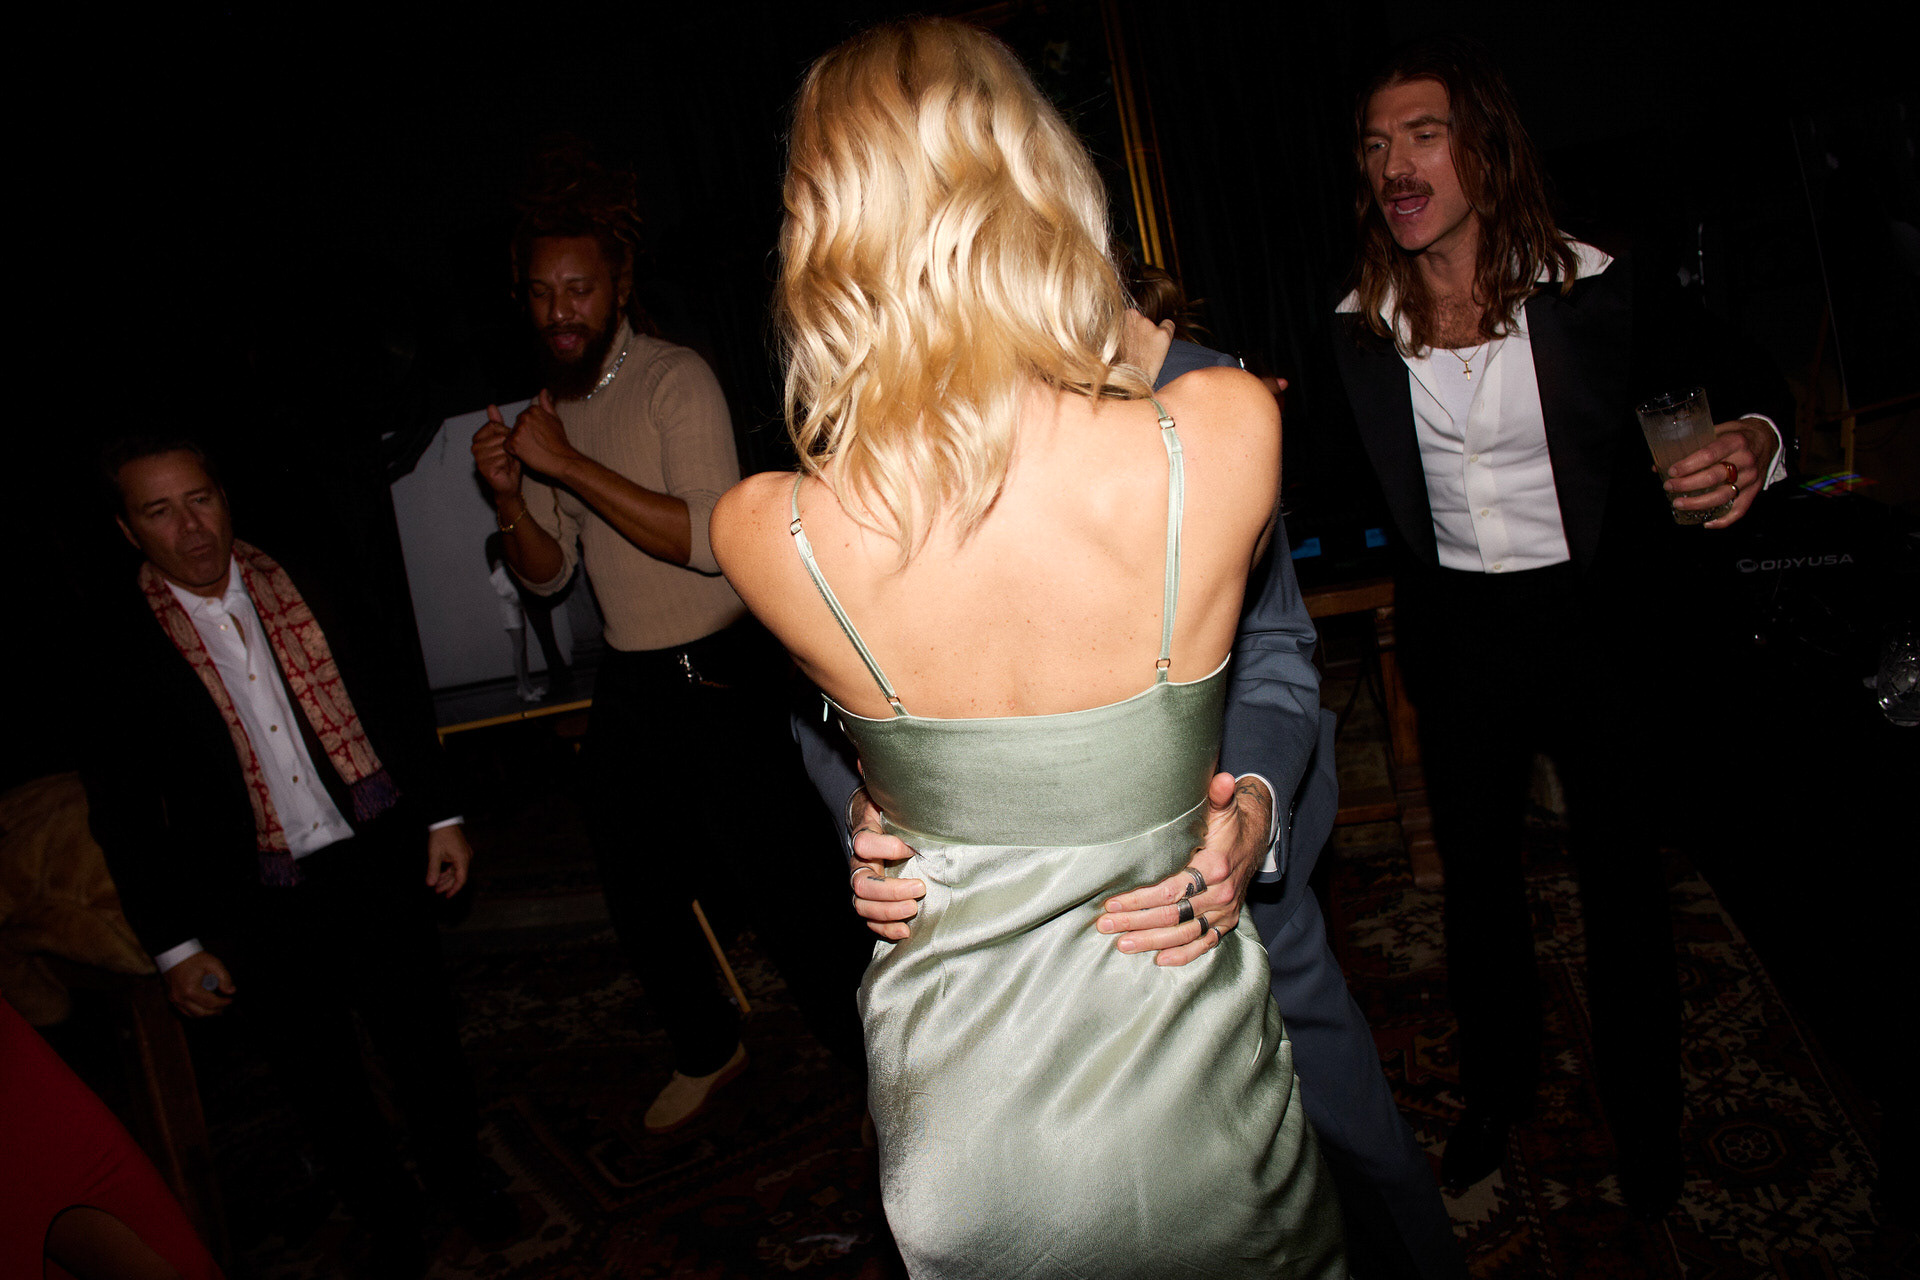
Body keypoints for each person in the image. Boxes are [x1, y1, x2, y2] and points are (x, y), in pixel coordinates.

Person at [712, 19, 1344, 1278]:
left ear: (821, 234)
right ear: (1047, 183)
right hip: (1198, 1097)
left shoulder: (766, 529)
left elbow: (900, 760)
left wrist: (890, 814)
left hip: (967, 1130)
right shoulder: (1218, 433)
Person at [817, 310, 1465, 1279]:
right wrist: (872, 817)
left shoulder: (1186, 427)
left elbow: (1275, 647)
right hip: (1004, 979)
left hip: (1214, 910)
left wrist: (1253, 811)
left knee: (1371, 1168)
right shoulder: (861, 476)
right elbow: (825, 713)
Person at [1328, 38, 1793, 1213]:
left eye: (1424, 135)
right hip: (1460, 629)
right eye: (1377, 145)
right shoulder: (1355, 328)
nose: (1396, 165)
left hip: (1599, 619)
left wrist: (1755, 439)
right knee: (1477, 886)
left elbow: (1752, 385)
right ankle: (1499, 1088)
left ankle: (1647, 1125)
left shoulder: (1602, 289)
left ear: (1485, 150)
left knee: (1621, 881)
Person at [470, 148, 861, 1132]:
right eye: (542, 293)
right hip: (634, 680)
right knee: (635, 886)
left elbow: (707, 538)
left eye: (578, 289)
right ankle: (708, 1045)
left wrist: (567, 465)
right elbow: (547, 574)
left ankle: (878, 1067)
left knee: (790, 895)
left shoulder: (674, 378)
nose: (560, 310)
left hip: (720, 672)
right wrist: (514, 494)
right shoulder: (554, 411)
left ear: (619, 285)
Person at [80, 439, 507, 1276]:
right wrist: (174, 944)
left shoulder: (306, 576)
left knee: (425, 1041)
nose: (190, 528)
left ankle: (463, 1178)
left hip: (374, 850)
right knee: (320, 1079)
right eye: (159, 512)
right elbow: (122, 813)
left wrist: (442, 814)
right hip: (254, 895)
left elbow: (392, 688)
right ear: (128, 531)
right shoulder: (116, 647)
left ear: (224, 497)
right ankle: (387, 1215)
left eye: (199, 499)